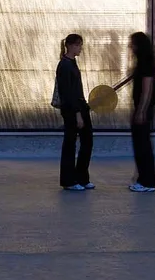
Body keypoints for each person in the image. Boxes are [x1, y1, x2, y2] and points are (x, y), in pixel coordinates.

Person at [56, 33, 94, 192]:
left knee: (87, 141)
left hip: (80, 107)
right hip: (72, 110)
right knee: (70, 144)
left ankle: (81, 177)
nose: (80, 48)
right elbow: (68, 93)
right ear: (70, 46)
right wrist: (77, 114)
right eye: (78, 45)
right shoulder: (65, 65)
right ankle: (69, 180)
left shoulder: (71, 63)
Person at [129, 31, 155, 193]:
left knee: (143, 146)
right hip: (141, 109)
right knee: (140, 146)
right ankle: (142, 178)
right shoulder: (142, 61)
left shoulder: (146, 63)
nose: (130, 46)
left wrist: (141, 111)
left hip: (143, 111)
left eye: (132, 43)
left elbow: (147, 89)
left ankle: (147, 182)